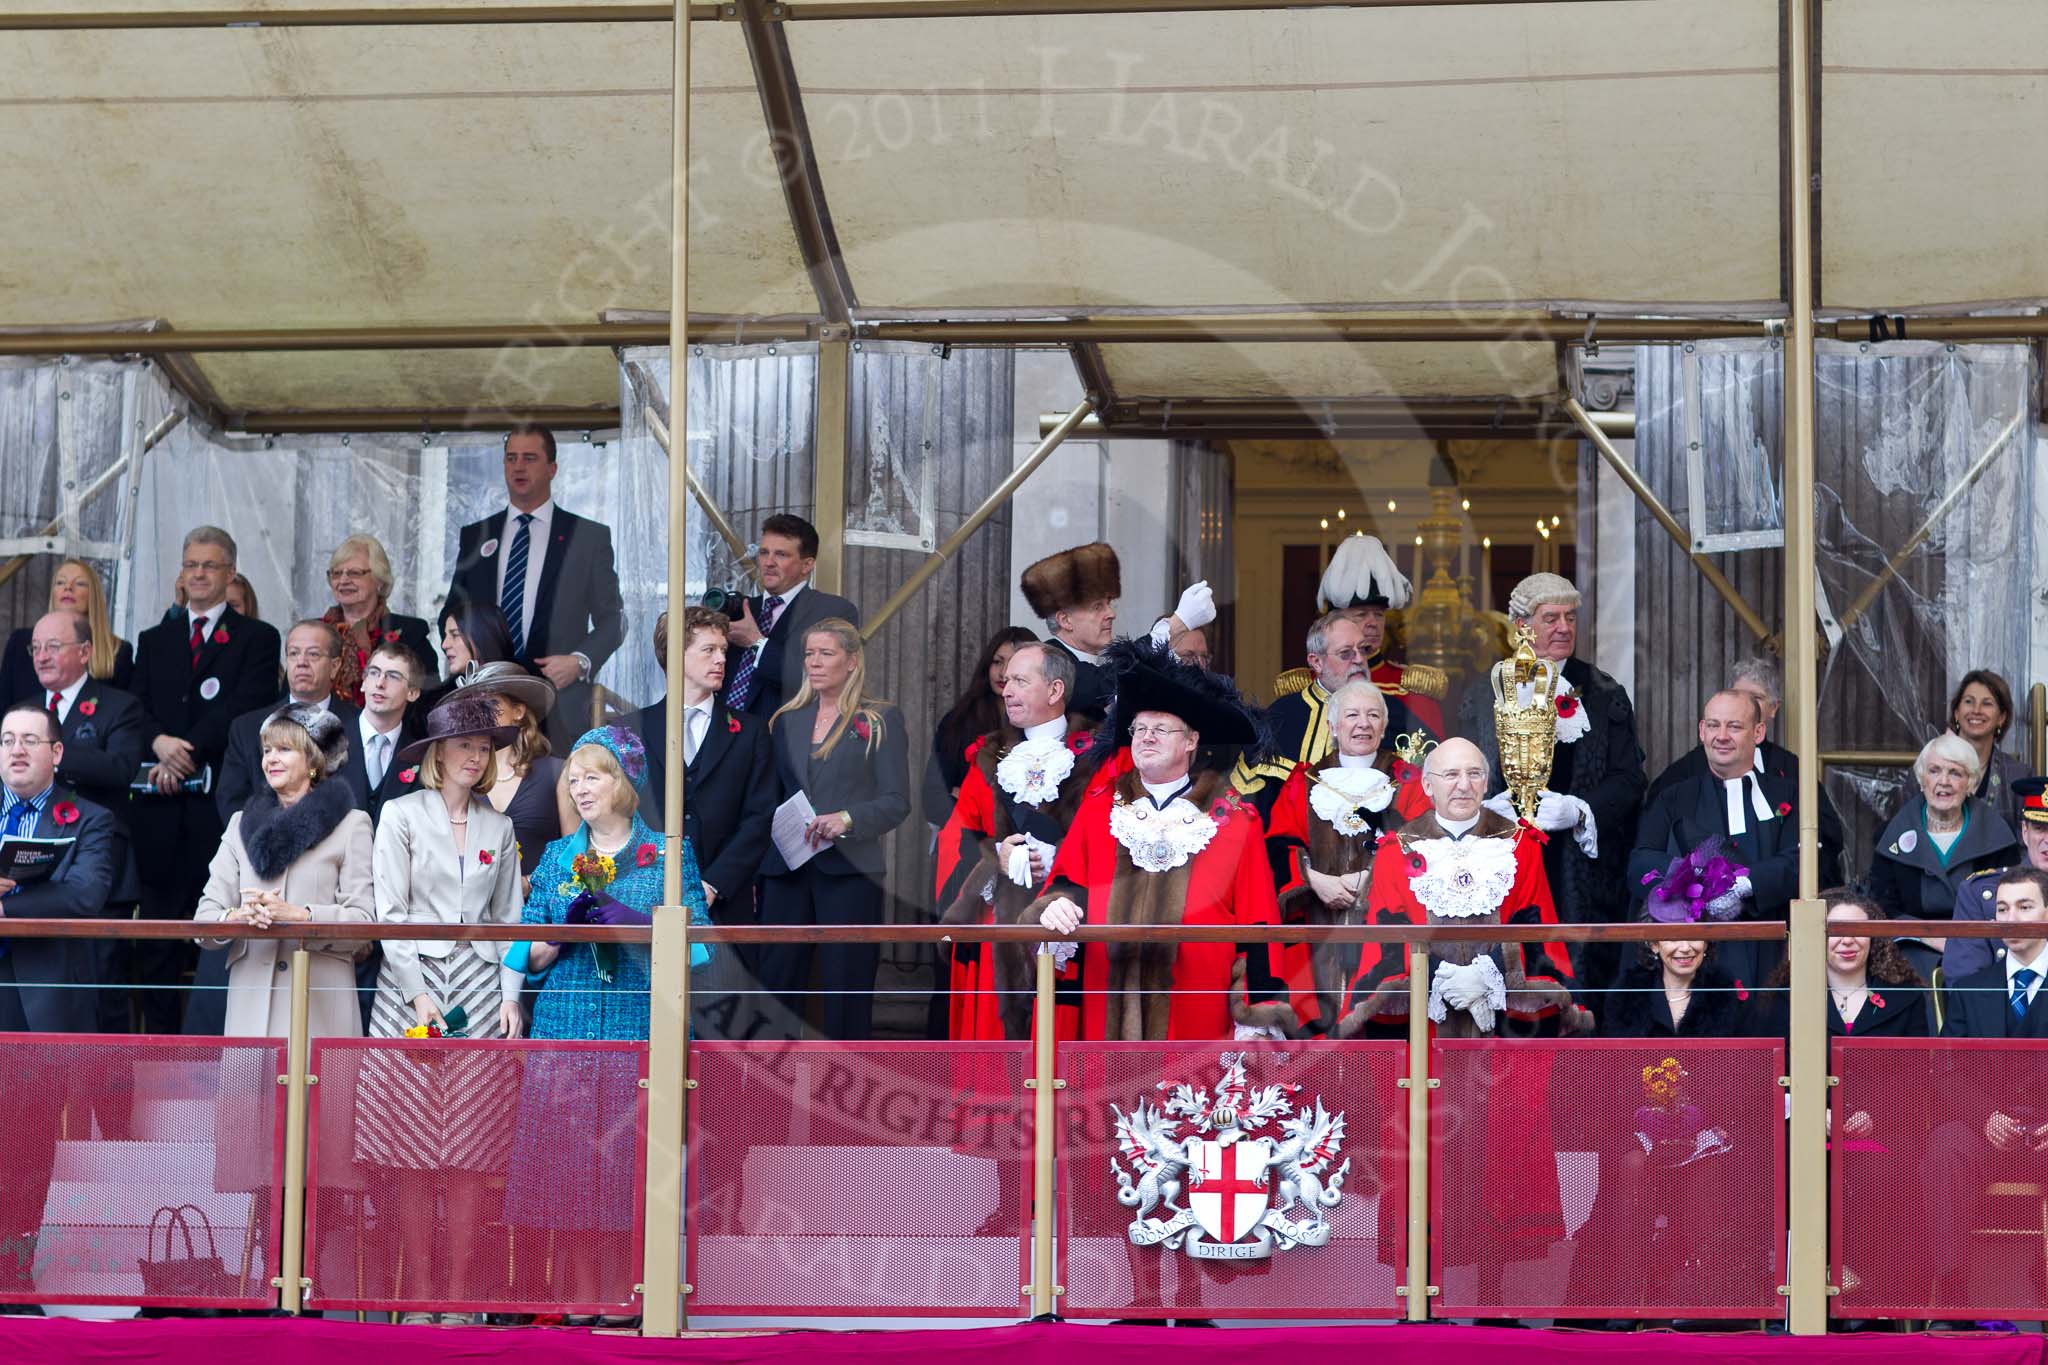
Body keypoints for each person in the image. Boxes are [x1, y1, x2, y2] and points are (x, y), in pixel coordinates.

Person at [507, 726, 708, 1321]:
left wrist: (634, 922)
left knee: (630, 1159)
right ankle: (583, 1288)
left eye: (593, 775)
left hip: (638, 1022)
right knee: (566, 1159)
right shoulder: (558, 855)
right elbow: (529, 952)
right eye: (574, 777)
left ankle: (629, 1290)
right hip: (565, 1021)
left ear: (624, 782)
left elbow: (695, 951)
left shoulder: (669, 854)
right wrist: (565, 928)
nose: (579, 786)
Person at [351, 693, 524, 1320]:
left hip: (479, 988)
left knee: (471, 1151)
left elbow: (509, 920)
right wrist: (417, 993)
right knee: (411, 1152)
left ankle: (458, 1294)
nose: (476, 757)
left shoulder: (499, 826)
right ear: (438, 754)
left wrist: (511, 996)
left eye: (485, 748)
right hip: (407, 987)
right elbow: (389, 915)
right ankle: (421, 1294)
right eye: (465, 746)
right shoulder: (399, 815)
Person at [1033, 639, 1294, 1042]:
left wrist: (1255, 1018)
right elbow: (1067, 885)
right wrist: (1055, 907)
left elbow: (1258, 929)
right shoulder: (1100, 808)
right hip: (1107, 1014)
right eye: (1139, 729)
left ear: (1191, 741)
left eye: (1160, 729)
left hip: (1198, 1021)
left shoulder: (1234, 820)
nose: (1146, 737)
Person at [1459, 572, 1645, 988]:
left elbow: (1630, 779)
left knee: (1579, 985)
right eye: (1551, 618)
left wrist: (1580, 809)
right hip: (1503, 864)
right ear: (1522, 626)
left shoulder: (1603, 692)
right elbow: (1461, 770)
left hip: (1581, 876)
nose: (1564, 627)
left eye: (1570, 617)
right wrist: (1484, 807)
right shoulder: (1483, 692)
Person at [130, 527, 283, 1034]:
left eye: (210, 565)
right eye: (191, 564)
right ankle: (156, 1045)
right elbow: (139, 708)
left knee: (215, 936)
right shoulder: (154, 640)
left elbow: (246, 709)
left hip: (213, 811)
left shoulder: (257, 638)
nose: (198, 573)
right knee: (157, 941)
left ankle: (208, 1049)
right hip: (158, 809)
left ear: (230, 573)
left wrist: (183, 752)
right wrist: (159, 746)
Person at [1337, 737, 1588, 1039]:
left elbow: (1538, 935)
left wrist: (1487, 973)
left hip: (1504, 1021)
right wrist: (1441, 975)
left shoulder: (1522, 846)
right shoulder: (1394, 851)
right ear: (1428, 787)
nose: (1463, 785)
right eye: (1451, 775)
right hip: (1422, 1023)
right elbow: (1384, 947)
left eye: (1474, 774)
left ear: (1485, 784)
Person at [0, 703, 120, 1295]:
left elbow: (85, 896)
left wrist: (6, 904)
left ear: (57, 753)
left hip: (37, 1005)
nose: (16, 751)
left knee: (27, 1150)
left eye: (29, 740)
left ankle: (13, 1277)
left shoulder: (89, 819)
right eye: (6, 740)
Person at [936, 641, 1105, 1042]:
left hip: (1069, 925)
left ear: (1055, 690)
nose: (1006, 689)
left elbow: (1110, 838)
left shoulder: (1098, 758)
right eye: (1006, 680)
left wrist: (1063, 868)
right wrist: (995, 856)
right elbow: (958, 838)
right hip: (998, 926)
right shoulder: (988, 757)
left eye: (1020, 680)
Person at [756, 619, 909, 1039]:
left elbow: (897, 802)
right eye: (809, 654)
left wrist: (847, 819)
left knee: (847, 986)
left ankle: (846, 1097)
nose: (815, 663)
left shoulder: (879, 719)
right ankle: (769, 1093)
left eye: (826, 653)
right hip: (785, 869)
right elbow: (766, 799)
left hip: (850, 871)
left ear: (852, 660)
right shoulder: (785, 720)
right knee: (775, 985)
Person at [1630, 689, 1844, 989]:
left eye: (1734, 726)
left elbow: (1807, 859)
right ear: (1702, 732)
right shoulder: (1673, 797)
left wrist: (1746, 884)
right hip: (1696, 957)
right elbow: (1640, 862)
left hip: (1774, 951)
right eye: (1714, 725)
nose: (1722, 736)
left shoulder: (1792, 794)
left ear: (1758, 733)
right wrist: (1695, 882)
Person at [192, 705, 373, 1037]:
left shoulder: (352, 825)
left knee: (317, 1091)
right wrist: (238, 917)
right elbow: (205, 920)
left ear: (314, 760)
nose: (270, 759)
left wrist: (302, 916)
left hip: (319, 1010)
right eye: (267, 750)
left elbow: (363, 923)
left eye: (284, 749)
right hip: (251, 1013)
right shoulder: (239, 825)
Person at [1263, 679, 1429, 1033]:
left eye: (1373, 715)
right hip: (1316, 924)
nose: (1363, 724)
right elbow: (1278, 845)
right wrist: (1312, 879)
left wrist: (1373, 877)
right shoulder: (1304, 781)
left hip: (1385, 930)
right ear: (1332, 726)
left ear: (1384, 726)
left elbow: (1424, 843)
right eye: (1352, 715)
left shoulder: (1408, 781)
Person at [1922, 868, 2048, 1310]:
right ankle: (1952, 1294)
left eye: (2025, 906)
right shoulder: (1972, 986)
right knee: (1944, 1146)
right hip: (1987, 1131)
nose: (2011, 918)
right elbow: (1948, 1070)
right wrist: (1985, 1118)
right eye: (2002, 909)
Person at [29, 610, 146, 1042]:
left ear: (85, 651)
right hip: (29, 875)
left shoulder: (119, 705)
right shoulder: (22, 710)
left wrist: (49, 754)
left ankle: (111, 1108)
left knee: (102, 994)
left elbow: (120, 767)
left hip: (97, 870)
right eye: (36, 648)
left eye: (53, 646)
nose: (42, 656)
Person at [445, 424, 625, 694]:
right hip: (483, 691)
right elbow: (452, 612)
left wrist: (579, 661)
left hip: (557, 698)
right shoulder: (477, 537)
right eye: (511, 458)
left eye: (529, 458)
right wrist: (467, 653)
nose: (518, 467)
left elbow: (613, 621)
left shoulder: (587, 537)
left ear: (552, 469)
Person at [626, 610, 773, 917]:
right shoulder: (631, 730)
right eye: (709, 650)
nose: (721, 659)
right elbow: (620, 815)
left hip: (727, 903)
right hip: (646, 898)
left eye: (723, 650)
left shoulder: (751, 731)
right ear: (675, 656)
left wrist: (714, 884)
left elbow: (760, 817)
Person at [1867, 732, 2018, 981]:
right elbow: (1881, 906)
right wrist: (1930, 936)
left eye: (1955, 773)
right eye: (1934, 771)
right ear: (1921, 779)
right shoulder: (1892, 833)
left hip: (1981, 950)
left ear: (1970, 782)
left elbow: (2007, 905)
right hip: (1909, 950)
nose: (1943, 781)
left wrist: (1960, 943)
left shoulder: (1997, 834)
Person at [1229, 609, 1374, 818]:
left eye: (1363, 649)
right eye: (1346, 653)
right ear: (1316, 662)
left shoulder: (1395, 714)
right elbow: (1250, 809)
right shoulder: (1280, 717)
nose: (1359, 659)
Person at [720, 514, 861, 720]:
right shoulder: (744, 609)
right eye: (764, 553)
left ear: (807, 565)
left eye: (781, 555)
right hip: (722, 734)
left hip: (779, 742)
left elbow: (817, 678)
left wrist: (756, 643)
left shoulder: (833, 611)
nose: (768, 562)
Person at [217, 619, 355, 820]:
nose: (301, 662)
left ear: (335, 666)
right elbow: (232, 801)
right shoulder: (246, 728)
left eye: (313, 654)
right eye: (293, 653)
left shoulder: (358, 725)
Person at [1312, 534, 1446, 738]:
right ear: (1335, 622)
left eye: (1379, 615)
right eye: (1361, 615)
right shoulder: (1312, 683)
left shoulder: (1410, 688)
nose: (1373, 623)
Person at [1753, 891, 1929, 1038]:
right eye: (1836, 930)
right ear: (1817, 937)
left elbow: (1917, 1069)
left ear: (1873, 938)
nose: (1847, 940)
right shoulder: (1786, 999)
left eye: (1857, 930)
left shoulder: (1906, 997)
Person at [452, 662, 569, 880]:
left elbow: (574, 855)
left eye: (491, 703)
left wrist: (531, 884)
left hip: (538, 907)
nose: (481, 713)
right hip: (473, 909)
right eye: (475, 706)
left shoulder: (556, 772)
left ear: (518, 711)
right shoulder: (461, 775)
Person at [923, 626, 1037, 828]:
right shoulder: (959, 721)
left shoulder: (1044, 722)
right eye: (997, 662)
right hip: (969, 846)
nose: (1003, 673)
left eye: (1013, 664)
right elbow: (933, 799)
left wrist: (969, 799)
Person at [1645, 656, 1797, 803]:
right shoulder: (1688, 769)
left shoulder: (1790, 768)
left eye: (1755, 698)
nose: (1744, 704)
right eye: (1737, 695)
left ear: (1774, 708)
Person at [1948, 775, 2048, 984]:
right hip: (1999, 1013)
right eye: (2040, 829)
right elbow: (1965, 983)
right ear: (2024, 832)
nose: (2047, 840)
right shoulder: (1979, 891)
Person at [320, 534, 433, 709]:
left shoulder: (410, 633)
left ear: (379, 580)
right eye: (336, 573)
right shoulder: (314, 632)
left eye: (354, 573)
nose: (343, 580)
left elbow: (428, 701)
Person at [0, 558, 132, 705]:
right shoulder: (20, 643)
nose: (68, 588)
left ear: (93, 595)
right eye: (60, 582)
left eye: (80, 583)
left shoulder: (117, 651)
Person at [348, 639, 425, 825]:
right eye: (374, 673)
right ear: (363, 682)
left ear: (413, 692)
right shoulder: (327, 741)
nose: (380, 683)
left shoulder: (422, 757)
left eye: (393, 676)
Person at [1949, 670, 2032, 831]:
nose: (1976, 710)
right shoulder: (1928, 767)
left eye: (1987, 703)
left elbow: (2029, 847)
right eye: (1968, 701)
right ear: (1956, 713)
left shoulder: (2020, 776)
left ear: (2001, 718)